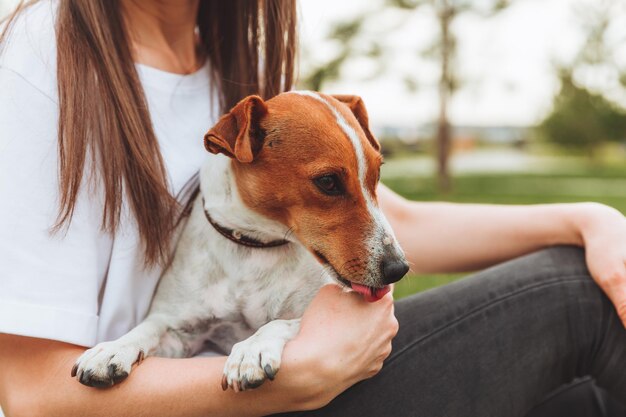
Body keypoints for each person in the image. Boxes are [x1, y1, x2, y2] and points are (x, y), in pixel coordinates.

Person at [0, 1, 625, 416]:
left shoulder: (229, 60)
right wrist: (302, 372)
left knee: (578, 398)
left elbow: (374, 215)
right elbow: (28, 392)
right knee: (576, 299)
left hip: (286, 377)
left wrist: (585, 219)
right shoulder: (43, 56)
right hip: (222, 396)